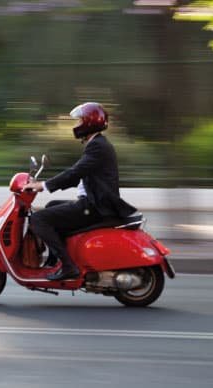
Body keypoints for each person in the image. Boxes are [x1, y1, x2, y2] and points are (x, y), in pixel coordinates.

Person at [23, 102, 137, 281]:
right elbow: (77, 176)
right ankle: (56, 259)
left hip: (95, 206)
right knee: (52, 206)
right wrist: (42, 183)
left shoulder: (97, 146)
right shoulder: (97, 144)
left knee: (39, 219)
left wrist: (43, 186)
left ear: (89, 123)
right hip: (93, 203)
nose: (76, 126)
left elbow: (74, 172)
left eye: (79, 121)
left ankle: (69, 267)